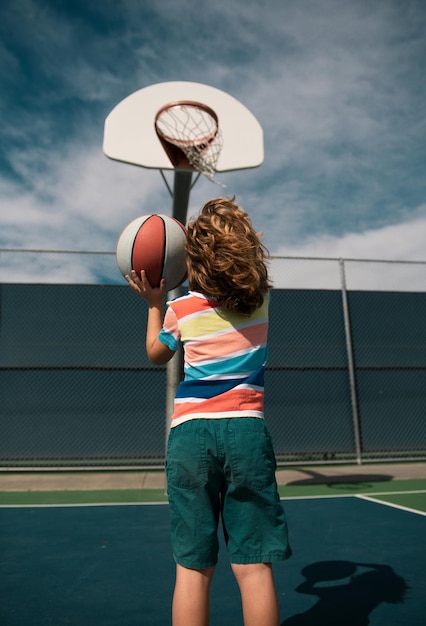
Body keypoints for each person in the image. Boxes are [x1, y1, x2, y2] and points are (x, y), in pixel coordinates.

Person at [126, 197, 291, 626]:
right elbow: (249, 277)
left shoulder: (182, 310)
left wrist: (153, 302)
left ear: (190, 259)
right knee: (254, 567)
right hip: (247, 434)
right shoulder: (262, 302)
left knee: (193, 569)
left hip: (191, 436)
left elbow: (154, 354)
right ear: (248, 252)